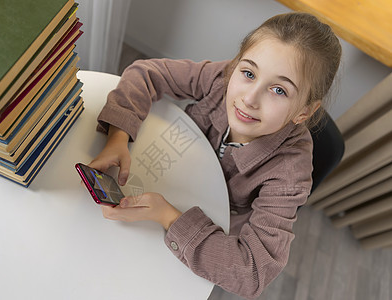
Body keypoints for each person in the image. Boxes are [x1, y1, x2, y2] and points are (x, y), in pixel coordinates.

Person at [87, 12, 342, 299]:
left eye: (278, 90)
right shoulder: (222, 79)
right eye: (248, 73)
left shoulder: (290, 174)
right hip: (172, 175)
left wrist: (167, 217)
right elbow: (146, 73)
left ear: (304, 112)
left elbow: (252, 274)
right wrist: (118, 136)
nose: (249, 98)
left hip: (206, 230)